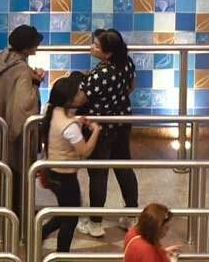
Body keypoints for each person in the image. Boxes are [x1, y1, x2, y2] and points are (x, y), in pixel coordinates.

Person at [83, 28, 138, 238]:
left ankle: (95, 222)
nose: (92, 47)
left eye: (96, 46)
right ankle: (131, 215)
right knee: (124, 167)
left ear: (108, 53)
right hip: (122, 121)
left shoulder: (101, 74)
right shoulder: (126, 63)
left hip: (101, 129)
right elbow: (131, 86)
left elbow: (81, 98)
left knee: (98, 173)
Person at [39, 72, 99, 255]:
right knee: (71, 217)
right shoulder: (69, 127)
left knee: (66, 210)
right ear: (69, 100)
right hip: (65, 176)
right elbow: (85, 151)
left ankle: (40, 233)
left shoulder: (53, 111)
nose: (82, 94)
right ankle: (61, 253)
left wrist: (76, 120)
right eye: (78, 93)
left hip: (52, 171)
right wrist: (96, 130)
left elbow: (64, 124)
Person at [0, 24, 46, 215]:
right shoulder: (21, 70)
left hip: (2, 124)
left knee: (9, 174)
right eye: (35, 43)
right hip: (17, 132)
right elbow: (23, 105)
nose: (37, 46)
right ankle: (16, 214)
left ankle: (1, 210)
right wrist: (35, 83)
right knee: (19, 173)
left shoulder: (3, 59)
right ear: (27, 48)